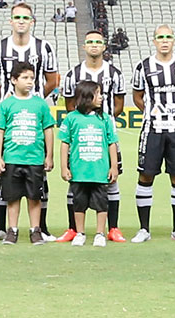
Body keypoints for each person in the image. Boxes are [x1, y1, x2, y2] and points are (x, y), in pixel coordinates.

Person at [0, 3, 58, 242]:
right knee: (3, 171)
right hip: (12, 118)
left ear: (32, 21)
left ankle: (41, 228)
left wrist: (35, 100)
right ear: (11, 21)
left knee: (39, 176)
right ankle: (0, 226)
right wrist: (9, 97)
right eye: (17, 17)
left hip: (33, 117)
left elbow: (52, 79)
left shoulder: (43, 47)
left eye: (26, 17)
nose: (21, 21)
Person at [56, 30, 126, 243]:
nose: (94, 45)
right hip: (80, 139)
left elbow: (120, 104)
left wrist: (101, 121)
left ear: (104, 46)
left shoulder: (114, 73)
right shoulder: (73, 74)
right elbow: (69, 104)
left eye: (98, 42)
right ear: (84, 47)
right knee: (75, 182)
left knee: (110, 181)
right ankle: (73, 229)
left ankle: (112, 228)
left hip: (103, 135)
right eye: (90, 42)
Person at [131, 25, 175, 243]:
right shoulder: (144, 67)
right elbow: (138, 95)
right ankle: (144, 229)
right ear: (154, 41)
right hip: (152, 129)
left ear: (173, 40)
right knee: (146, 175)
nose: (164, 41)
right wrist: (151, 112)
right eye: (160, 37)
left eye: (168, 37)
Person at [0, 62, 55, 245]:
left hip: (34, 159)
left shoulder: (40, 104)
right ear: (13, 80)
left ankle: (35, 230)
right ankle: (12, 230)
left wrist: (49, 155)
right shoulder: (7, 104)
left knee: (34, 197)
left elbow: (48, 130)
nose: (29, 82)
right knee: (12, 197)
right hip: (12, 158)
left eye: (32, 78)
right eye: (25, 78)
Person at [59, 80, 119, 247]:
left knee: (101, 203)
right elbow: (64, 143)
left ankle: (100, 233)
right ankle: (80, 232)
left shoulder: (105, 119)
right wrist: (64, 167)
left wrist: (114, 166)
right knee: (79, 204)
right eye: (97, 93)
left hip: (99, 172)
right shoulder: (72, 118)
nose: (101, 97)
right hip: (79, 171)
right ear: (86, 96)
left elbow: (111, 142)